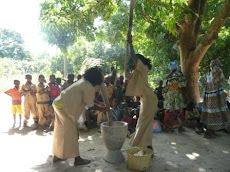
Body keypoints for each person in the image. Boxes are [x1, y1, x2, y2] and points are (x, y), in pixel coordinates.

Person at [52, 67, 109, 166]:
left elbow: (89, 99)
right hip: (65, 108)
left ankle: (57, 155)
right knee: (72, 134)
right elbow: (91, 105)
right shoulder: (89, 87)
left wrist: (100, 104)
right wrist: (104, 108)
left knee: (61, 132)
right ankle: (77, 159)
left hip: (59, 103)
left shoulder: (83, 82)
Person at [125, 33, 158, 151]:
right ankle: (144, 145)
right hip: (145, 99)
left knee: (145, 122)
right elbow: (127, 75)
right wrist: (126, 65)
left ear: (138, 61)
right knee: (142, 121)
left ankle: (147, 146)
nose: (132, 63)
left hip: (149, 98)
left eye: (133, 62)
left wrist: (130, 44)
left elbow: (133, 57)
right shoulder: (137, 72)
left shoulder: (143, 67)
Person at [200, 60, 230, 138]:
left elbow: (201, 81)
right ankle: (208, 133)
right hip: (215, 97)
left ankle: (211, 131)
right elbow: (222, 79)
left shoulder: (207, 75)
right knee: (213, 113)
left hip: (210, 97)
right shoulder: (217, 72)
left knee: (212, 113)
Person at [163, 61, 186, 133]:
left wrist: (165, 95)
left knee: (169, 111)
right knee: (179, 110)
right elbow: (182, 85)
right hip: (177, 94)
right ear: (176, 67)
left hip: (169, 95)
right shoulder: (179, 74)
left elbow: (165, 87)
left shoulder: (167, 76)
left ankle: (167, 127)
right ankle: (180, 127)